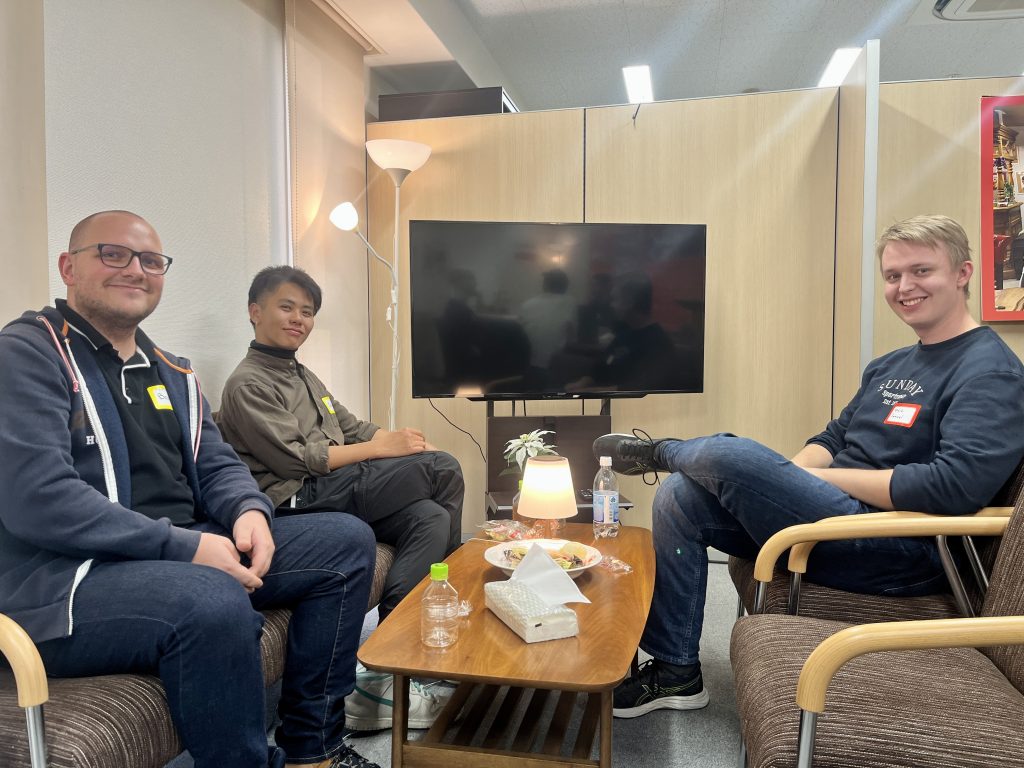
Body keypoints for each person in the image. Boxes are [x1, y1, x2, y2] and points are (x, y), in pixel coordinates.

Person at [594, 214, 1024, 719]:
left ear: (962, 273)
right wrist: (790, 481)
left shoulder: (991, 372)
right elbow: (833, 438)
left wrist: (805, 480)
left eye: (921, 271)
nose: (904, 287)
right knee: (681, 496)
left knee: (732, 455)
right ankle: (676, 673)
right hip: (834, 519)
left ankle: (662, 452)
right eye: (892, 276)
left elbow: (951, 488)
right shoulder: (890, 365)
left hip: (897, 547)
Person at [0, 210, 379, 768]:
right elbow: (39, 499)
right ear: (69, 267)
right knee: (211, 599)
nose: (135, 269)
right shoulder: (28, 353)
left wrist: (249, 512)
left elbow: (217, 464)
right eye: (113, 254)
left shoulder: (171, 371)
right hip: (70, 578)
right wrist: (187, 547)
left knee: (346, 542)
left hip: (179, 548)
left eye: (151, 261)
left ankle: (313, 748)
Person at [216, 265, 465, 731]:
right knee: (443, 469)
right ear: (255, 311)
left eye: (307, 312)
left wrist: (404, 441)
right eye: (287, 307)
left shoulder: (302, 374)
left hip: (336, 485)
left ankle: (397, 643)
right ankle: (450, 599)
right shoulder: (248, 383)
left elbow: (351, 427)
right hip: (299, 499)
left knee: (429, 515)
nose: (299, 319)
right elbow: (298, 460)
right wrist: (384, 451)